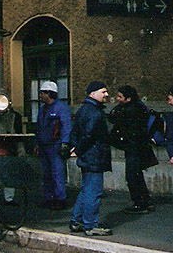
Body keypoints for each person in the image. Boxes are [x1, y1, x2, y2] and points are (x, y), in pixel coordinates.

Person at [68, 82, 113, 236]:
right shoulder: (95, 112)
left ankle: (76, 220)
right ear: (93, 94)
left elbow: (75, 132)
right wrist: (78, 150)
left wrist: (75, 148)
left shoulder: (83, 110)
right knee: (93, 192)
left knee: (86, 190)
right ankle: (90, 225)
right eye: (103, 92)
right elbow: (89, 134)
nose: (106, 95)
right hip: (95, 156)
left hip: (87, 156)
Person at [108, 85, 153, 214]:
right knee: (137, 174)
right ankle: (144, 200)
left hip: (134, 147)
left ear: (128, 99)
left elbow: (115, 118)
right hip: (137, 146)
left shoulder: (132, 110)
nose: (117, 99)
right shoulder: (136, 107)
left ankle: (139, 203)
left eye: (120, 97)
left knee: (132, 175)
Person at [35, 81, 71, 210]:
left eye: (42, 93)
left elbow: (66, 126)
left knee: (57, 173)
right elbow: (39, 127)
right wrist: (37, 143)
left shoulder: (61, 108)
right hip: (44, 145)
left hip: (55, 145)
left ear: (49, 94)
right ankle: (49, 198)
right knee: (46, 174)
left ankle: (60, 199)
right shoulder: (42, 109)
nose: (40, 95)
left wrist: (64, 143)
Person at [163, 86, 173, 248]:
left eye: (170, 98)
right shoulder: (172, 117)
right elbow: (170, 139)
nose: (168, 101)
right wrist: (172, 155)